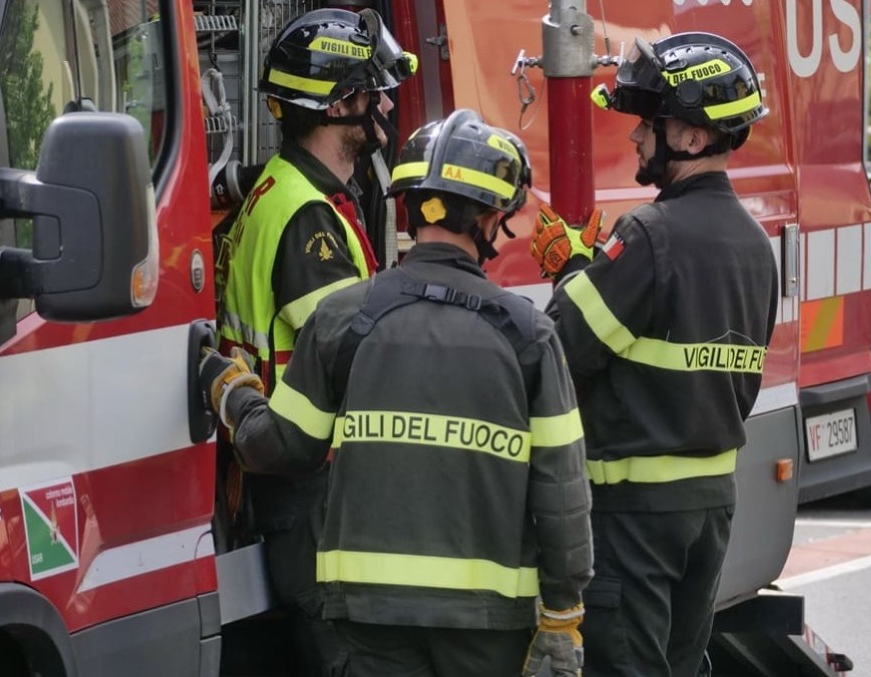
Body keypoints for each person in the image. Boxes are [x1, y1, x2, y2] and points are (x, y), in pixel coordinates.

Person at [201, 109, 594, 677]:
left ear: (408, 203)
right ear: (490, 217)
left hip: (368, 621)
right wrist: (562, 613)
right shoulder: (528, 336)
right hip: (486, 628)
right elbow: (562, 490)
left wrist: (230, 388)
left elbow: (279, 448)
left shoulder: (343, 318)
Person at [529, 32, 779, 676]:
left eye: (650, 124)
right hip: (710, 508)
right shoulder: (755, 245)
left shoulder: (648, 235)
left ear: (693, 138)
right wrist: (591, 269)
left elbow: (562, 344)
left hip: (636, 519)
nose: (637, 138)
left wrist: (570, 272)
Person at [210, 8, 416, 675]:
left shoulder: (286, 188)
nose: (385, 103)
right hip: (312, 489)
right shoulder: (307, 217)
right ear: (336, 105)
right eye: (371, 90)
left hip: (293, 480)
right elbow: (361, 357)